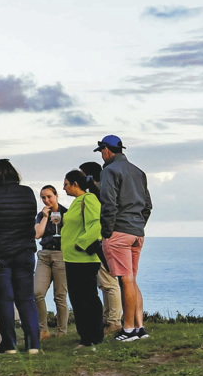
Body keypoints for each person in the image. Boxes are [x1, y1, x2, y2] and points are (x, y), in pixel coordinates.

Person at [0, 159, 41, 354]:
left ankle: (10, 345)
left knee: (4, 300)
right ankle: (33, 345)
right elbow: (30, 220)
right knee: (26, 299)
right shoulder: (27, 192)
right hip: (25, 252)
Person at [95, 135, 152, 342]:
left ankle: (128, 330)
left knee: (125, 280)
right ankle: (139, 327)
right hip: (136, 232)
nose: (102, 155)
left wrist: (107, 232)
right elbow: (147, 205)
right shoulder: (138, 171)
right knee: (131, 279)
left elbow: (108, 204)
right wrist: (138, 225)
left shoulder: (109, 171)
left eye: (101, 151)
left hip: (118, 232)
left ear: (106, 149)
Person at [59, 170, 105, 346]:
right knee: (77, 300)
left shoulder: (89, 199)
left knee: (88, 299)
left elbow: (97, 224)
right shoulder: (76, 202)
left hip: (84, 259)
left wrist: (81, 243)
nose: (64, 188)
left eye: (66, 184)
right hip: (72, 258)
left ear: (75, 184)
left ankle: (94, 337)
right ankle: (85, 336)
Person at [78, 160, 120, 330]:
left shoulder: (98, 194)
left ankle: (114, 320)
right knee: (104, 283)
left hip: (103, 241)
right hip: (103, 241)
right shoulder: (100, 192)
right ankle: (108, 317)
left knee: (109, 283)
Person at [34, 184, 69, 335]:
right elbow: (37, 234)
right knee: (37, 293)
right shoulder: (41, 215)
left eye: (49, 196)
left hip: (61, 254)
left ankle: (62, 331)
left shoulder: (66, 213)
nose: (46, 200)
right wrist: (45, 217)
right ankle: (43, 330)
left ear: (56, 196)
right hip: (44, 255)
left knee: (60, 296)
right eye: (43, 197)